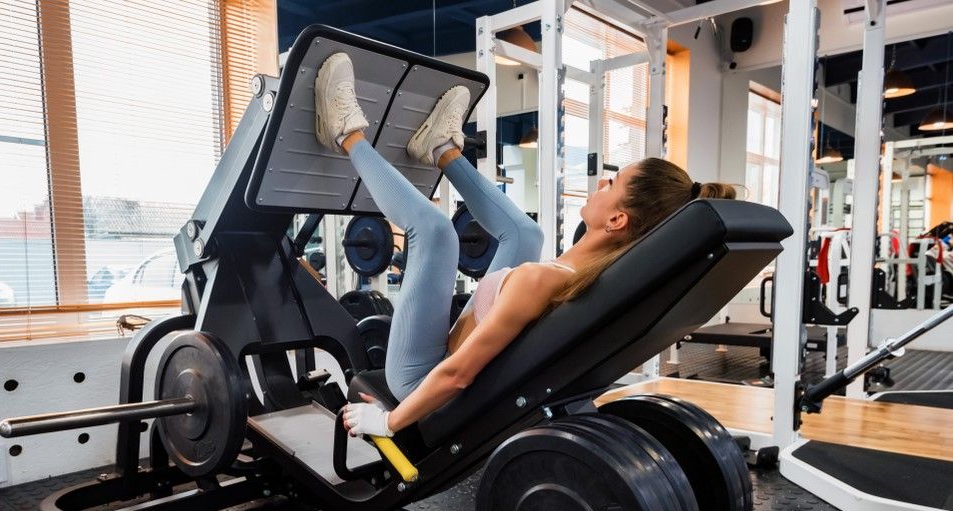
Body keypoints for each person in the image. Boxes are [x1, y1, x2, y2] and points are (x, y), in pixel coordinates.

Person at [314, 52, 736, 438]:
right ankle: (440, 149)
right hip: (448, 357)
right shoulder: (584, 274)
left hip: (420, 376)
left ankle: (346, 132)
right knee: (525, 234)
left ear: (617, 219)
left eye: (613, 182)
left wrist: (388, 422)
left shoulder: (540, 280)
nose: (601, 182)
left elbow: (457, 375)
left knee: (437, 231)